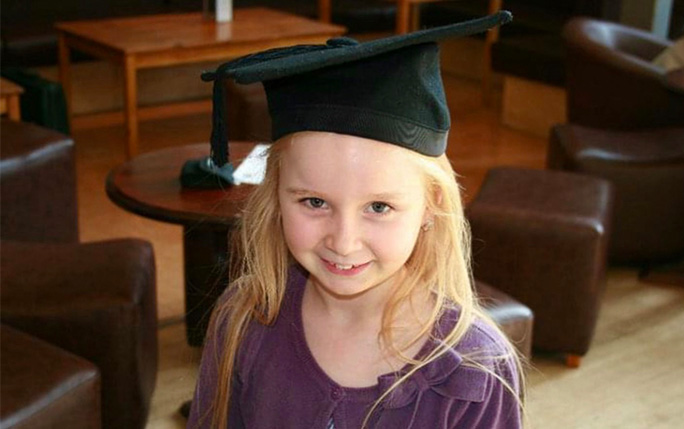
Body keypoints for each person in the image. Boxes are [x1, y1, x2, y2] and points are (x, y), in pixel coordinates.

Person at [188, 11, 523, 429]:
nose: (343, 242)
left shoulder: (476, 372)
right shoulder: (243, 320)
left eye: (378, 207)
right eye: (314, 202)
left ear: (430, 206)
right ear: (274, 195)